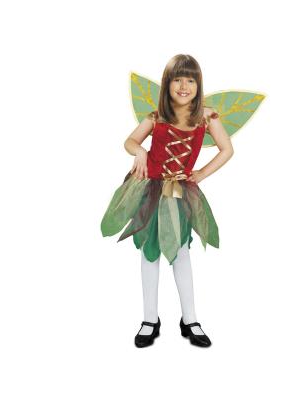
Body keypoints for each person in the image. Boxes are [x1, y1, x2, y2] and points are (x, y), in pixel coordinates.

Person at [101, 54, 234, 347]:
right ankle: (150, 318)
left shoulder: (207, 117)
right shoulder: (156, 116)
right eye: (177, 80)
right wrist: (140, 152)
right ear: (167, 84)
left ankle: (190, 319)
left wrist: (201, 173)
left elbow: (227, 149)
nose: (184, 86)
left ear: (199, 85)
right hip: (148, 187)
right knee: (150, 251)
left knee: (181, 251)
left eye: (190, 80)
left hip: (178, 190)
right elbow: (130, 141)